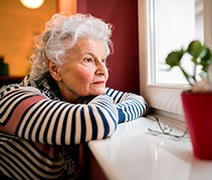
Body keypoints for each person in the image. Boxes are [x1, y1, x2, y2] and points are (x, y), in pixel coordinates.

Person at [0, 13, 149, 179]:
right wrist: (104, 109)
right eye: (89, 60)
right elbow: (100, 120)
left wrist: (106, 108)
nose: (103, 71)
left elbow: (138, 101)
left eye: (103, 60)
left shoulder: (80, 95)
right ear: (56, 69)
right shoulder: (14, 100)